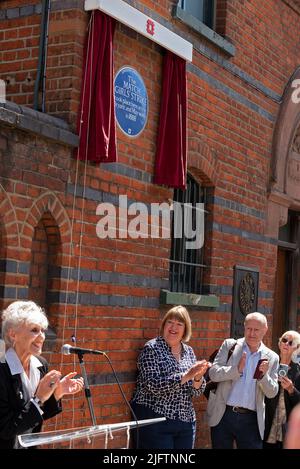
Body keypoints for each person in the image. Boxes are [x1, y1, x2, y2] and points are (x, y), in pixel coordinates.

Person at [0, 300, 84, 449]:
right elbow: (6, 429)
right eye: (34, 330)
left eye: (42, 330)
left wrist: (57, 394)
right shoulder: (2, 371)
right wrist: (39, 399)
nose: (42, 337)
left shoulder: (41, 365)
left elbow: (38, 415)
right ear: (13, 334)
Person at [130, 305, 210, 449]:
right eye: (170, 322)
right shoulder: (152, 348)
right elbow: (153, 385)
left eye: (179, 324)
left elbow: (196, 392)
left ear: (185, 329)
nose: (174, 327)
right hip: (156, 420)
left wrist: (197, 377)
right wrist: (187, 375)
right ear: (164, 325)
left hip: (185, 421)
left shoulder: (189, 351)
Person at [206, 312, 279, 449]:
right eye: (248, 329)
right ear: (244, 328)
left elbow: (272, 393)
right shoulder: (230, 346)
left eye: (256, 330)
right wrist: (236, 370)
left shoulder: (272, 357)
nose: (251, 333)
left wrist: (264, 377)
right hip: (223, 414)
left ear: (265, 330)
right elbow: (213, 373)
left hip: (251, 420)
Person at [263, 330, 300, 448]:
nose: (286, 344)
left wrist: (291, 390)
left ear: (297, 347)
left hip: (287, 428)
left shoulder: (298, 372)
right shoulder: (268, 365)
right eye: (284, 340)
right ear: (279, 343)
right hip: (267, 424)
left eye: (291, 342)